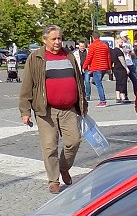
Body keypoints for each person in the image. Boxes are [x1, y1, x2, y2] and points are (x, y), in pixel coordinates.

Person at [18, 25, 88, 194]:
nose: (58, 42)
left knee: (74, 141)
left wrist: (83, 104)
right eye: (54, 39)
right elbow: (27, 85)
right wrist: (25, 111)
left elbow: (79, 81)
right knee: (49, 146)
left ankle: (64, 167)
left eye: (59, 38)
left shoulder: (69, 55)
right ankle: (53, 180)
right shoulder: (36, 58)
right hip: (46, 110)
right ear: (44, 40)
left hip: (69, 109)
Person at [83, 32, 111, 106]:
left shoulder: (92, 46)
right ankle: (102, 98)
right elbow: (108, 57)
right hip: (104, 67)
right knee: (95, 82)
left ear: (93, 37)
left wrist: (84, 66)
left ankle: (102, 101)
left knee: (98, 84)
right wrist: (109, 68)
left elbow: (89, 57)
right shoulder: (105, 46)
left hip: (96, 67)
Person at [111, 37, 130, 104]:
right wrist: (126, 68)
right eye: (121, 42)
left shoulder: (112, 51)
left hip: (115, 68)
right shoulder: (118, 51)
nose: (122, 44)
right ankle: (123, 98)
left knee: (118, 82)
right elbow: (122, 60)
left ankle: (118, 97)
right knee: (122, 83)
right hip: (121, 69)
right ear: (117, 42)